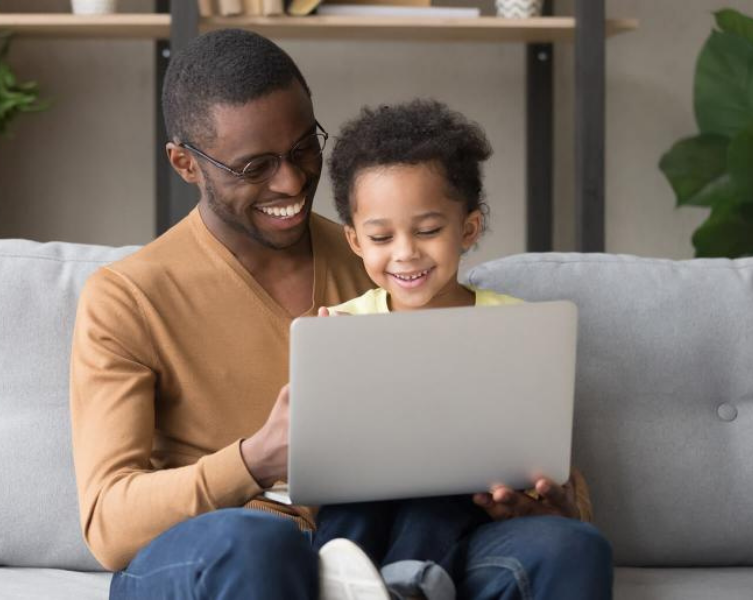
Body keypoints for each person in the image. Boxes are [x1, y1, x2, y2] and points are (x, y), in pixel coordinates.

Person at [69, 27, 611, 600]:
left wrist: (548, 500)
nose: (294, 180)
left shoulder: (388, 263)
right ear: (185, 164)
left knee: (571, 548)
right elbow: (109, 525)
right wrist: (256, 459)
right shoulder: (127, 297)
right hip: (228, 549)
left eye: (305, 147)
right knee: (260, 545)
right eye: (256, 167)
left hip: (394, 550)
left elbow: (494, 423)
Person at [309, 99, 613, 600]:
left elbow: (545, 450)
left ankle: (412, 581)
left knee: (445, 471)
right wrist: (321, 386)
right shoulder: (342, 326)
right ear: (355, 241)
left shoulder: (513, 324)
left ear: (467, 229)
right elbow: (319, 463)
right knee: (357, 498)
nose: (405, 252)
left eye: (428, 230)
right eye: (381, 236)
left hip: (469, 504)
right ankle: (345, 583)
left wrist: (544, 491)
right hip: (364, 510)